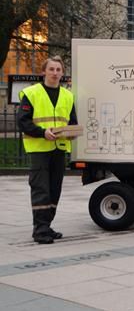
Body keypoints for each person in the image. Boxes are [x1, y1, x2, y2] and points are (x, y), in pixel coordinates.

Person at [17, 56, 77, 244]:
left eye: (58, 70)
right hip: (39, 148)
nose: (55, 73)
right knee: (40, 188)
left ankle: (47, 225)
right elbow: (23, 121)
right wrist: (43, 133)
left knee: (54, 189)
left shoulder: (68, 96)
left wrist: (71, 133)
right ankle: (40, 230)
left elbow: (72, 122)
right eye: (51, 69)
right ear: (44, 72)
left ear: (62, 73)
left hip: (59, 148)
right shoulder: (31, 93)